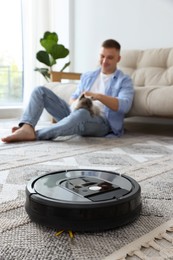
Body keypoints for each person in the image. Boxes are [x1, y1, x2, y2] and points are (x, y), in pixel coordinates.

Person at [1, 39, 134, 143]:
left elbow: (124, 105)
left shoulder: (124, 80)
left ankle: (36, 134)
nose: (104, 61)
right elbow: (72, 99)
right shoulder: (88, 76)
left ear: (118, 59)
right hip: (76, 111)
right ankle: (27, 126)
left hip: (102, 122)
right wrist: (80, 100)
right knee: (40, 91)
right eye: (102, 56)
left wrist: (97, 96)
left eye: (110, 57)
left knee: (81, 114)